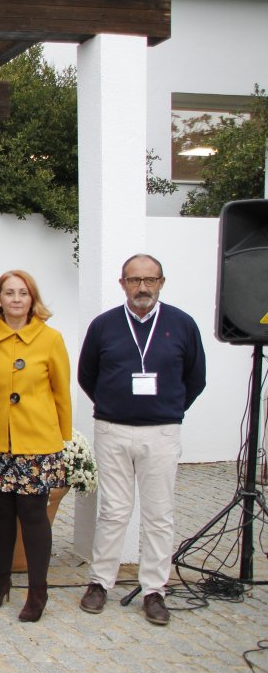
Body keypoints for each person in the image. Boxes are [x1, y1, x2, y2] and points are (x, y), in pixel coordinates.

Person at [78, 254, 206, 626]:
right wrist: (113, 403)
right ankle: (100, 582)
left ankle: (154, 590)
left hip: (161, 431)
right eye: (134, 280)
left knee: (158, 514)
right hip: (113, 429)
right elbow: (89, 375)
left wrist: (169, 408)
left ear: (162, 282)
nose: (142, 288)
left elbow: (195, 377)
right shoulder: (104, 326)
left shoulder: (182, 324)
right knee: (114, 511)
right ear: (122, 284)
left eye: (150, 280)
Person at [0, 269, 72, 623]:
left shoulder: (51, 339)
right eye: (9, 293)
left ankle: (37, 590)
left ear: (33, 299)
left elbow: (62, 394)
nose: (16, 299)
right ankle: (1, 584)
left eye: (23, 293)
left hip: (36, 443)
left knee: (33, 517)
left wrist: (63, 443)